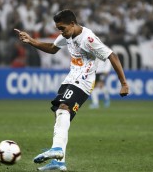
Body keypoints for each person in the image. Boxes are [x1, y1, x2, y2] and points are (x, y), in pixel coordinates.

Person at [14, 9, 129, 171]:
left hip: (83, 82)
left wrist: (123, 83)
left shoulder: (88, 39)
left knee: (63, 108)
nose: (61, 32)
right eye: (58, 29)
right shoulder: (68, 35)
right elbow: (53, 48)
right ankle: (59, 162)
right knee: (60, 114)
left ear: (73, 24)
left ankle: (57, 150)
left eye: (62, 28)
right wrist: (31, 41)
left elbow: (112, 55)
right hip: (70, 79)